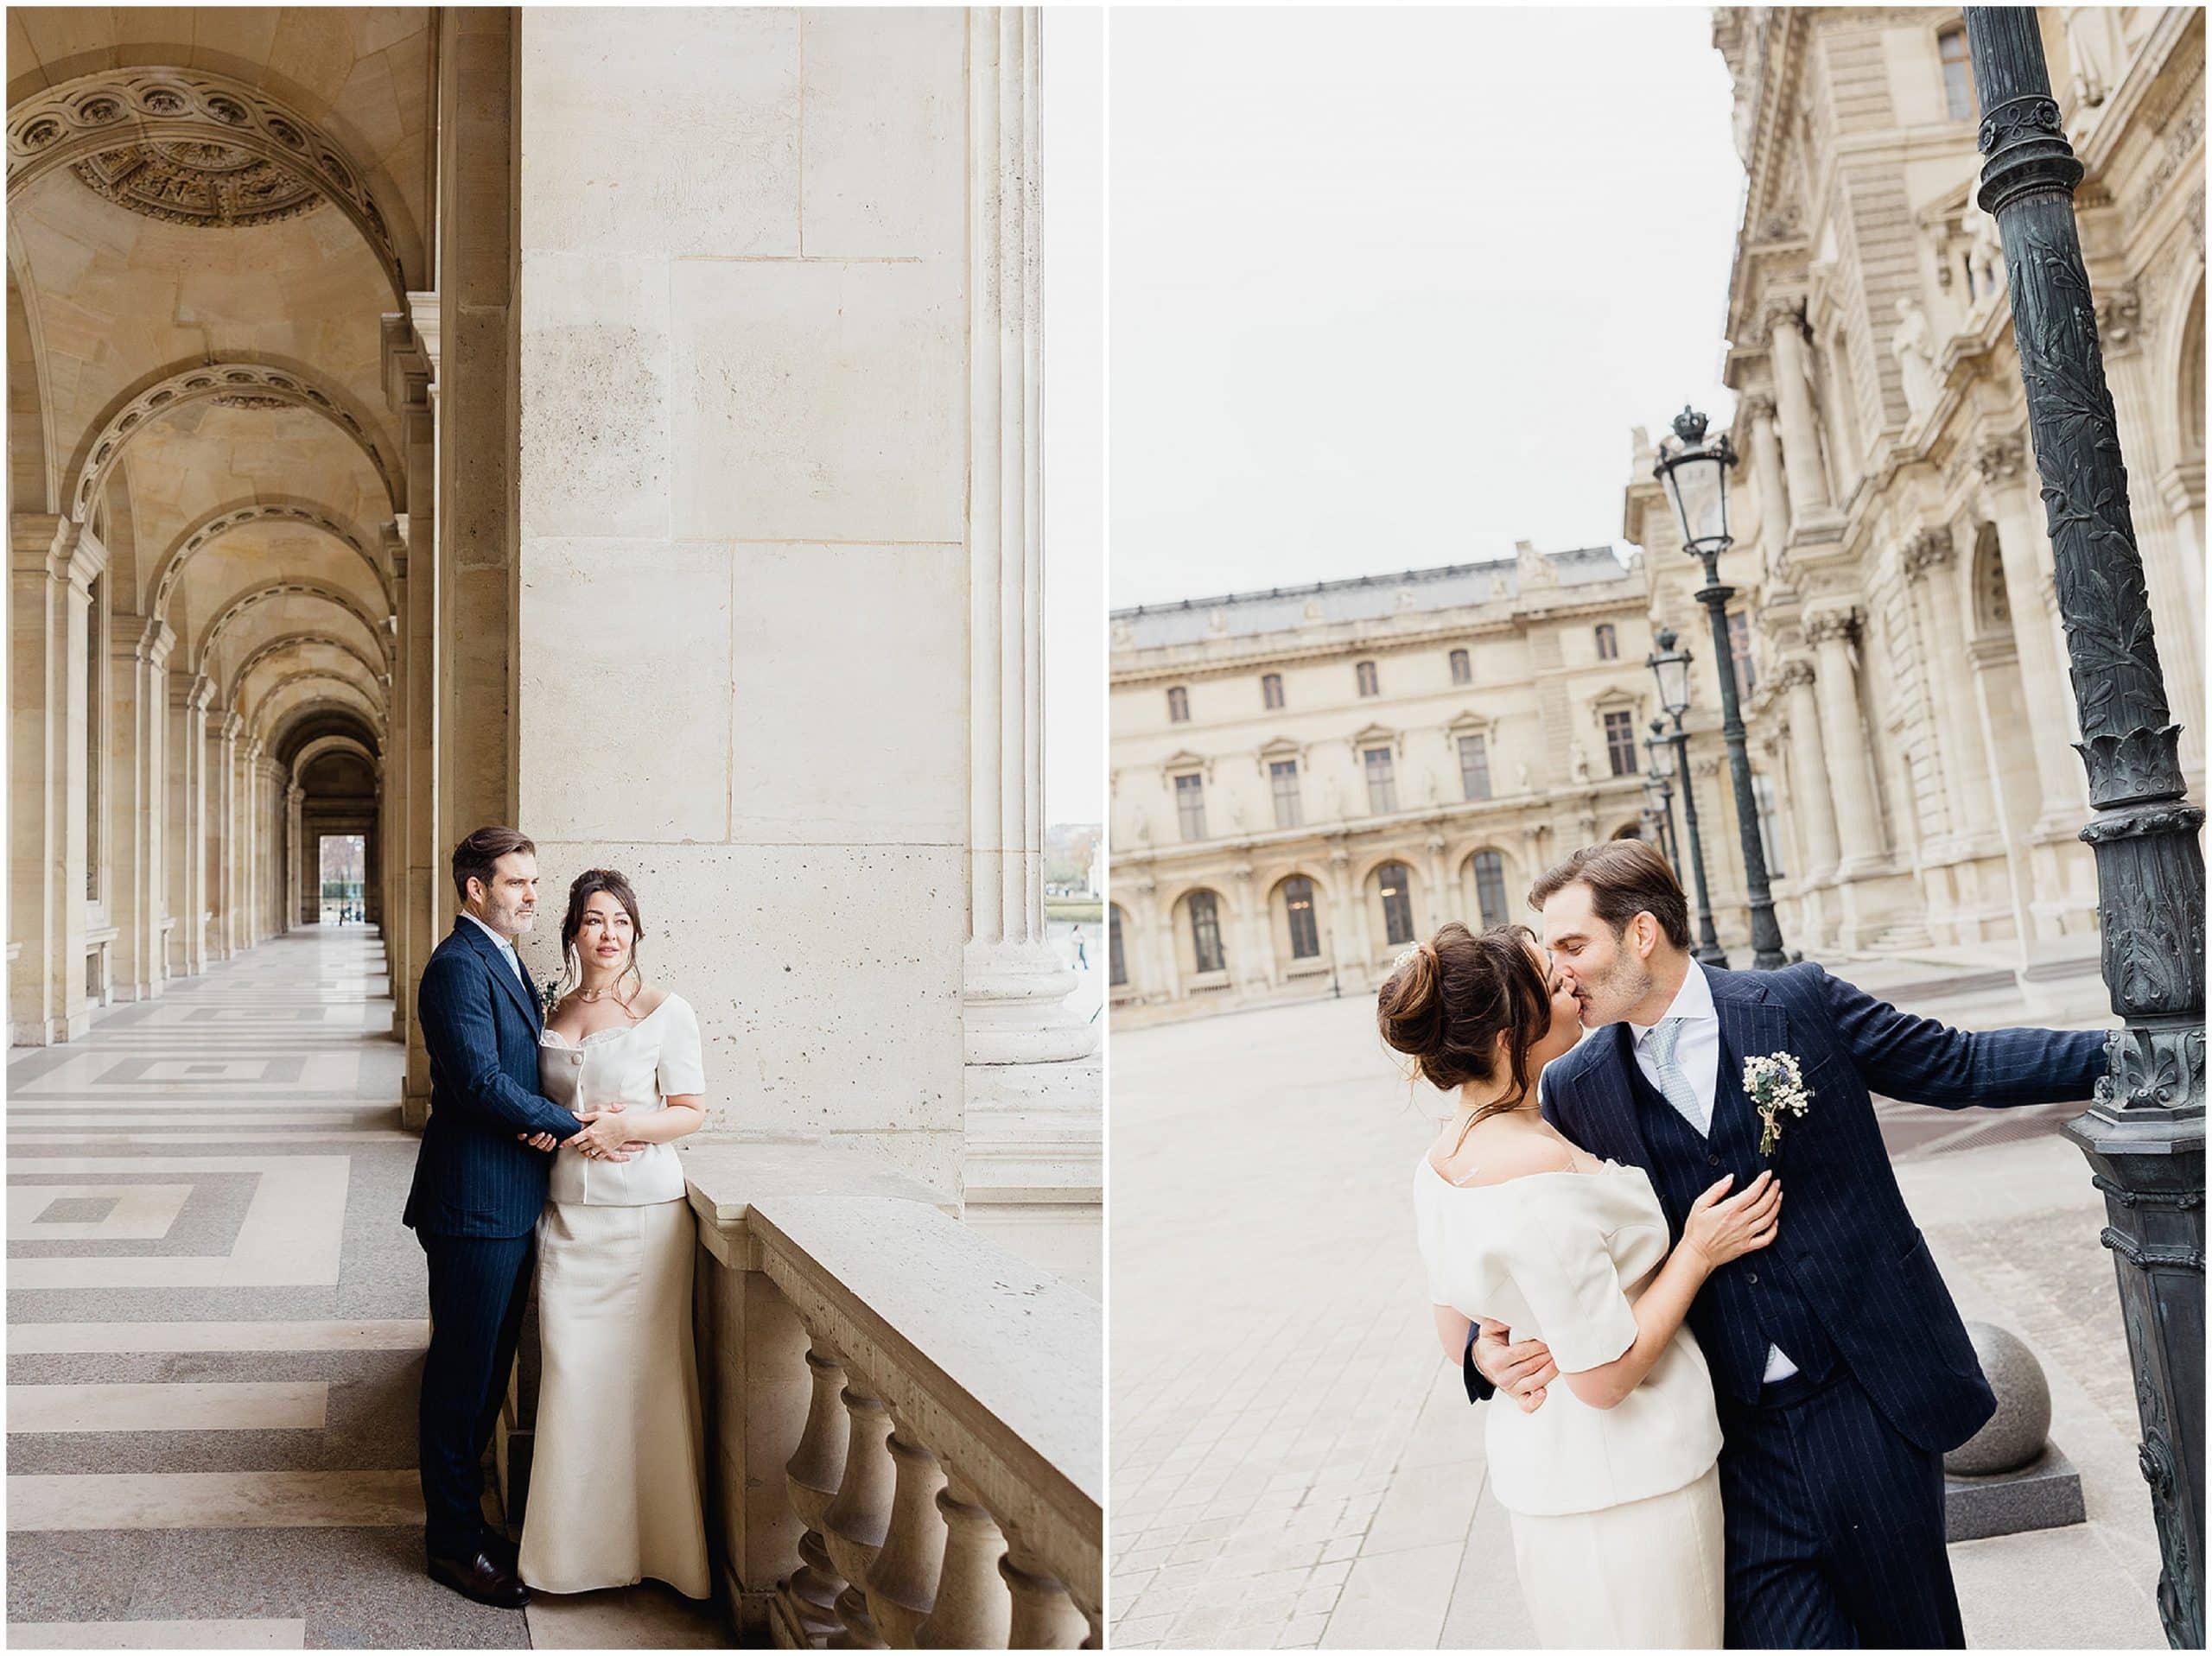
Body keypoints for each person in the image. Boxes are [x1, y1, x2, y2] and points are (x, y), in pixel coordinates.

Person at [1466, 840, 2108, 1648]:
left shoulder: (1796, 1003)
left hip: (1868, 1397)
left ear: (1639, 935)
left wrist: (2134, 1054)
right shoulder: (1575, 1084)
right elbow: (1536, 1238)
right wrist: (1482, 1351)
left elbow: (1959, 1063)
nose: (1558, 974)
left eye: (1572, 945)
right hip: (1733, 1437)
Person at [1398, 923, 1782, 1647]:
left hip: (1544, 1476)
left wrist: (1490, 1356)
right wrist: (1696, 1252)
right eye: (1550, 982)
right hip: (1633, 1480)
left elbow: (1458, 1333)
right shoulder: (1539, 1172)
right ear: (1510, 1037)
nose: (1570, 983)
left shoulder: (1439, 1161)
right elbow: (1604, 1379)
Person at [404, 827, 627, 1608]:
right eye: (517, 882)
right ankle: (453, 1547)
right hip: (472, 1204)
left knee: (488, 1372)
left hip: (505, 1193)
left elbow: (511, 1075)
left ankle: (470, 1524)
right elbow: (475, 1081)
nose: (534, 894)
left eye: (534, 881)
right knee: (462, 1381)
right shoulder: (456, 966)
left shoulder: (506, 958)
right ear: (475, 889)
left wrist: (538, 1116)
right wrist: (568, 1124)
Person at [512, 868, 711, 1599]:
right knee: (573, 1376)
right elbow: (540, 1102)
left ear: (636, 932)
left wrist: (630, 1124)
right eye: (594, 920)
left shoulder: (668, 1010)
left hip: (643, 1221)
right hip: (567, 1213)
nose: (608, 934)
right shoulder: (555, 1007)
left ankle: (661, 1553)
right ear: (573, 932)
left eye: (621, 921)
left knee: (647, 1381)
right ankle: (571, 1558)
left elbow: (690, 1108)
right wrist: (540, 1127)